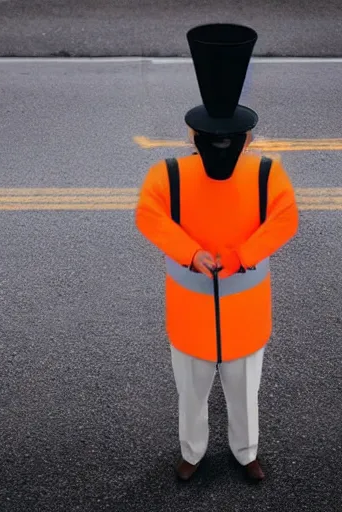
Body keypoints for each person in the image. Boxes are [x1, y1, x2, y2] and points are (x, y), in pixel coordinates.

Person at [134, 23, 299, 482]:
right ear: (194, 136)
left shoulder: (268, 176)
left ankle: (245, 453)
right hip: (191, 315)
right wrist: (190, 252)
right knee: (191, 392)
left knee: (246, 392)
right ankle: (194, 451)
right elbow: (149, 216)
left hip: (244, 314)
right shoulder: (167, 176)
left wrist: (244, 254)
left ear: (247, 139)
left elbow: (285, 219)